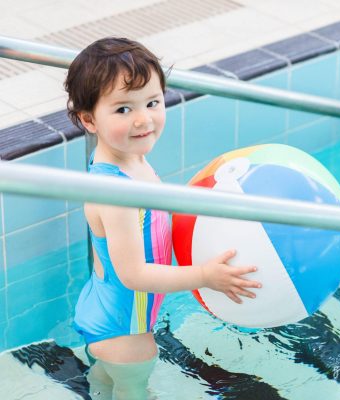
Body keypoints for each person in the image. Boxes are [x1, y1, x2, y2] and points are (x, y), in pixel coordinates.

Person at [64, 37, 261, 399]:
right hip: (126, 335)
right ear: (88, 119)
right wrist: (205, 277)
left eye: (152, 102)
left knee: (105, 387)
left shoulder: (130, 160)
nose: (143, 119)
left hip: (106, 315)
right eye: (123, 109)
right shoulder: (116, 192)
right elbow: (135, 274)